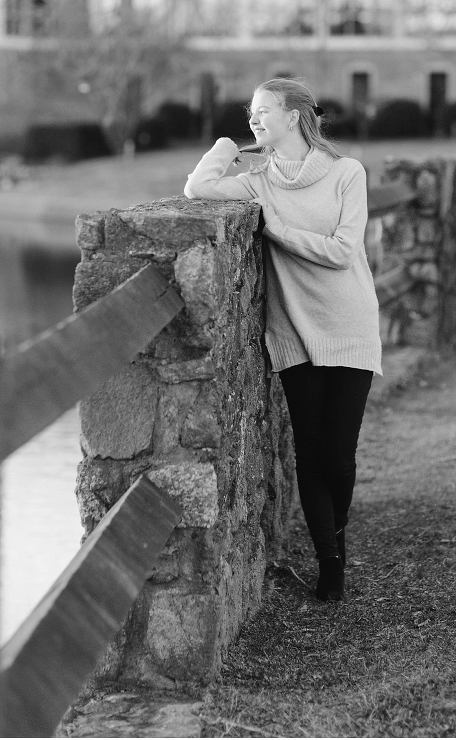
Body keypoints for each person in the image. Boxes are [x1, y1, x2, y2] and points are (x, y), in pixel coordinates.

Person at [184, 77, 381, 601]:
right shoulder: (257, 181)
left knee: (338, 457)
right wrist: (227, 147)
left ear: (294, 116)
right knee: (309, 454)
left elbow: (342, 251)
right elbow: (196, 190)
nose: (253, 118)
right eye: (250, 112)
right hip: (293, 329)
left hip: (350, 324)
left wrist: (276, 231)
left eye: (263, 110)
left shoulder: (347, 173)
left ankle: (337, 534)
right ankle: (330, 563)